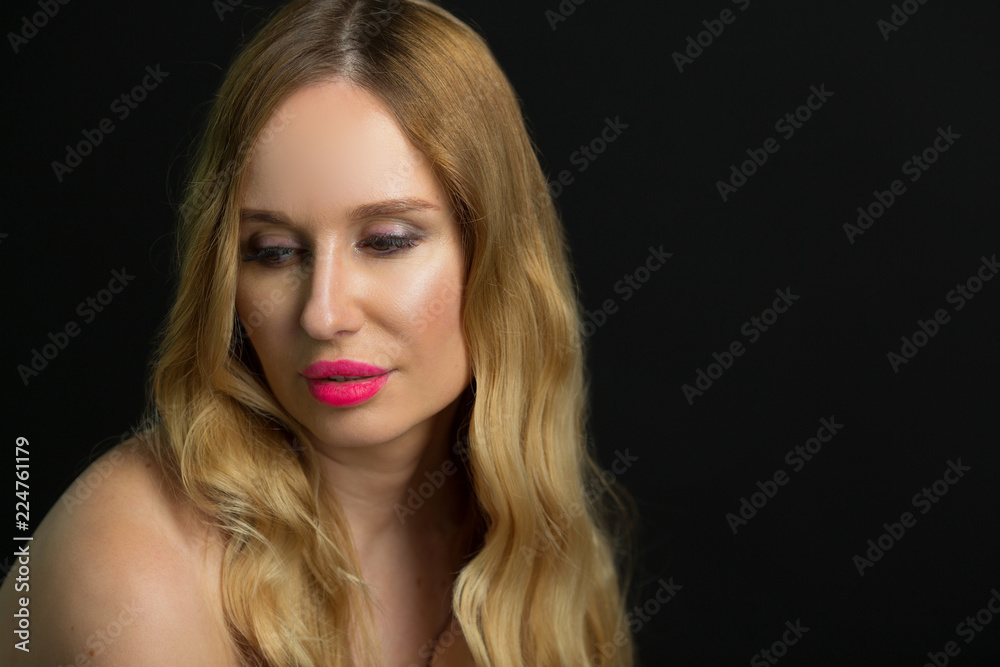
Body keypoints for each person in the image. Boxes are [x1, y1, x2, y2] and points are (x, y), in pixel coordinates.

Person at [0, 0, 635, 664]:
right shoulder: (134, 569)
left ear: (495, 256)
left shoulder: (530, 543)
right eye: (274, 251)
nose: (322, 315)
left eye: (386, 241)